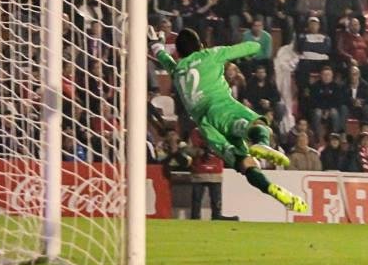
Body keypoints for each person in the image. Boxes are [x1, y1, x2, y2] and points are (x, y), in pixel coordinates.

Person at [149, 27, 307, 212]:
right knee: (259, 124)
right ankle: (261, 142)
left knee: (244, 163)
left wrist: (155, 45)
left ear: (180, 53)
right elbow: (253, 46)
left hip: (206, 127)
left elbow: (163, 57)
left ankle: (271, 189)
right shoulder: (211, 54)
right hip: (222, 107)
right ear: (200, 45)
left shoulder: (177, 71)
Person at [188, 128, 237, 221]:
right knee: (197, 199)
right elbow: (188, 150)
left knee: (215, 200)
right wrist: (198, 152)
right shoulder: (195, 132)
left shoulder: (220, 132)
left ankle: (216, 216)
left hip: (214, 172)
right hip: (199, 172)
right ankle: (196, 217)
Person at [308, 66, 347, 138]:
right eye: (324, 75)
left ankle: (335, 135)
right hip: (318, 109)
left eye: (328, 75)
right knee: (317, 113)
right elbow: (313, 101)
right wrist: (323, 110)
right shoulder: (315, 86)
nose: (326, 77)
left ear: (332, 76)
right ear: (321, 76)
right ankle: (316, 135)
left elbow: (338, 101)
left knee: (334, 112)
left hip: (331, 109)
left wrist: (328, 110)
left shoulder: (336, 87)